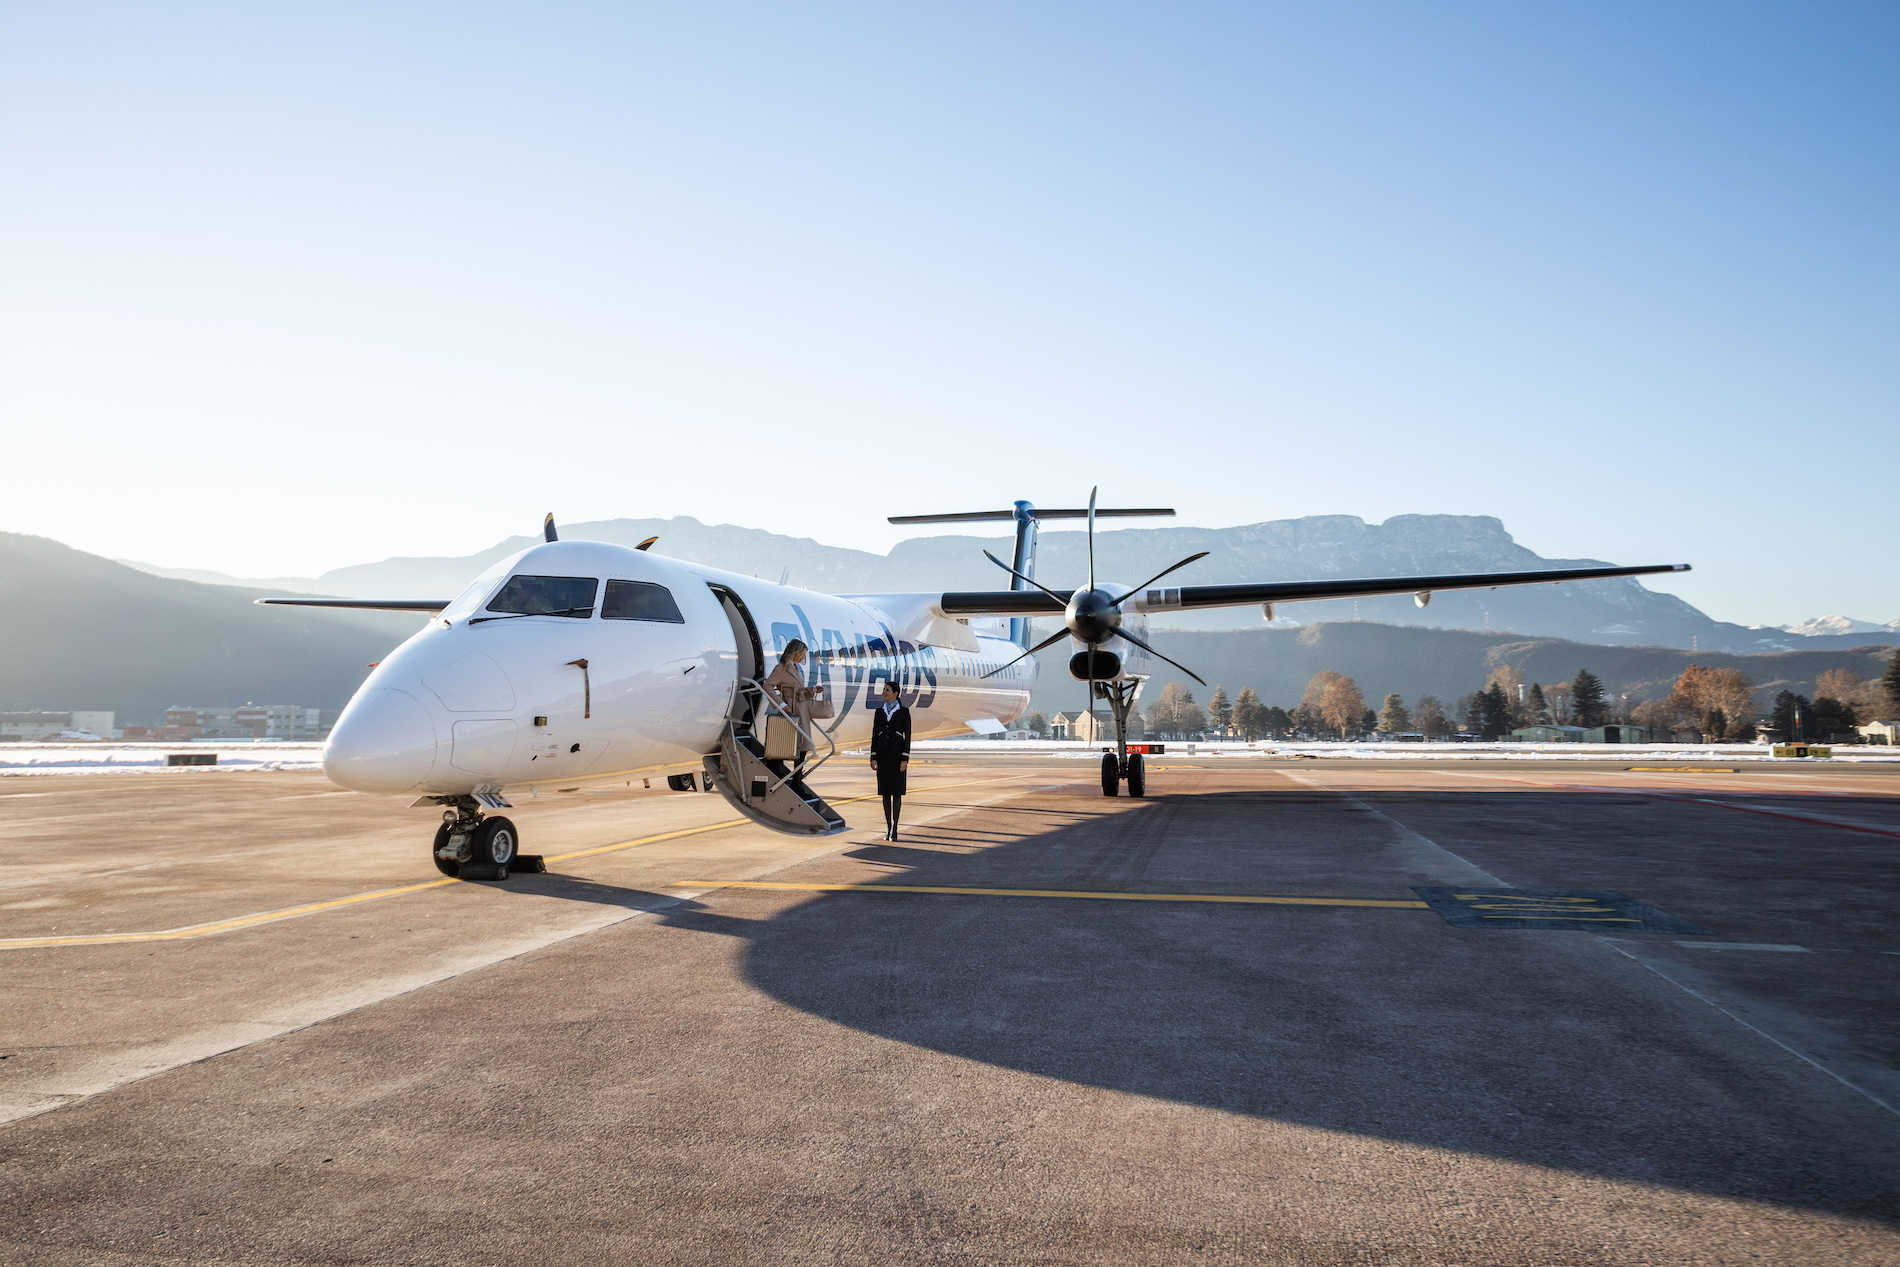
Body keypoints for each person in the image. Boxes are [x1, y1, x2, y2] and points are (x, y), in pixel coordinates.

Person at [762, 639, 819, 763]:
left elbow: (798, 689)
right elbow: (767, 686)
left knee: (802, 744)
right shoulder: (781, 669)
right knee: (789, 743)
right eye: (801, 654)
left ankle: (797, 776)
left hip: (801, 709)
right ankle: (794, 776)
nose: (803, 657)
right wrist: (781, 705)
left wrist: (813, 689)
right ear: (794, 652)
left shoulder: (795, 667)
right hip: (791, 709)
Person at [870, 679, 911, 840]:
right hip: (883, 756)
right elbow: (874, 735)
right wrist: (873, 757)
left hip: (897, 756)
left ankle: (895, 828)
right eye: (884, 689)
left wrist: (904, 758)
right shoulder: (879, 712)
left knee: (897, 793)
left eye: (887, 690)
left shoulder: (903, 712)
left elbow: (907, 736)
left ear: (895, 693)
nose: (884, 692)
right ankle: (888, 827)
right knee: (885, 793)